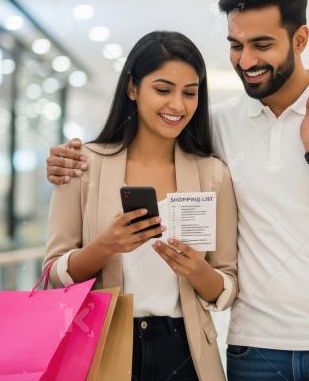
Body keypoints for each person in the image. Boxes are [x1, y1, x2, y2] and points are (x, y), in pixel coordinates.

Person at [47, 0, 309, 380]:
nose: (247, 60)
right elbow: (144, 140)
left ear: (300, 40)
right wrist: (67, 161)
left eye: (262, 45)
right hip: (254, 348)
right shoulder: (217, 128)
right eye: (236, 46)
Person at [42, 31, 238, 381]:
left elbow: (226, 286)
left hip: (186, 351)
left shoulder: (213, 174)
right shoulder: (82, 164)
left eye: (189, 93)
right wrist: (106, 246)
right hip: (102, 346)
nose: (177, 105)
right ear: (132, 88)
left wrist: (196, 269)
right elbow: (54, 274)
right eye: (163, 90)